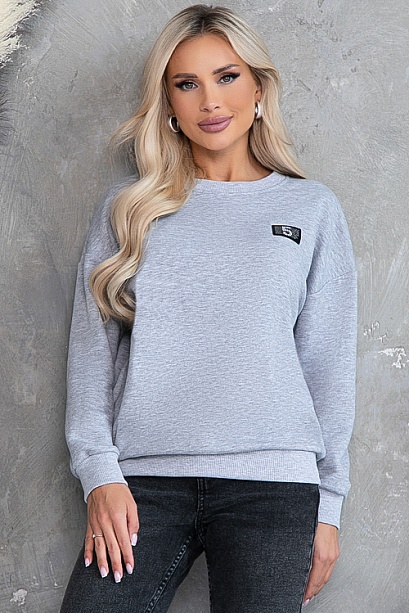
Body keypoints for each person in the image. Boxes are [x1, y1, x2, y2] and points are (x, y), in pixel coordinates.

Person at [60, 5, 357, 612]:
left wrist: (328, 507)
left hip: (273, 487)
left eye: (226, 77)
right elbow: (92, 355)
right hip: (143, 484)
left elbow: (328, 365)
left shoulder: (311, 209)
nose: (210, 101)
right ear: (168, 102)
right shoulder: (128, 210)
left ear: (258, 89)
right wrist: (99, 475)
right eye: (187, 83)